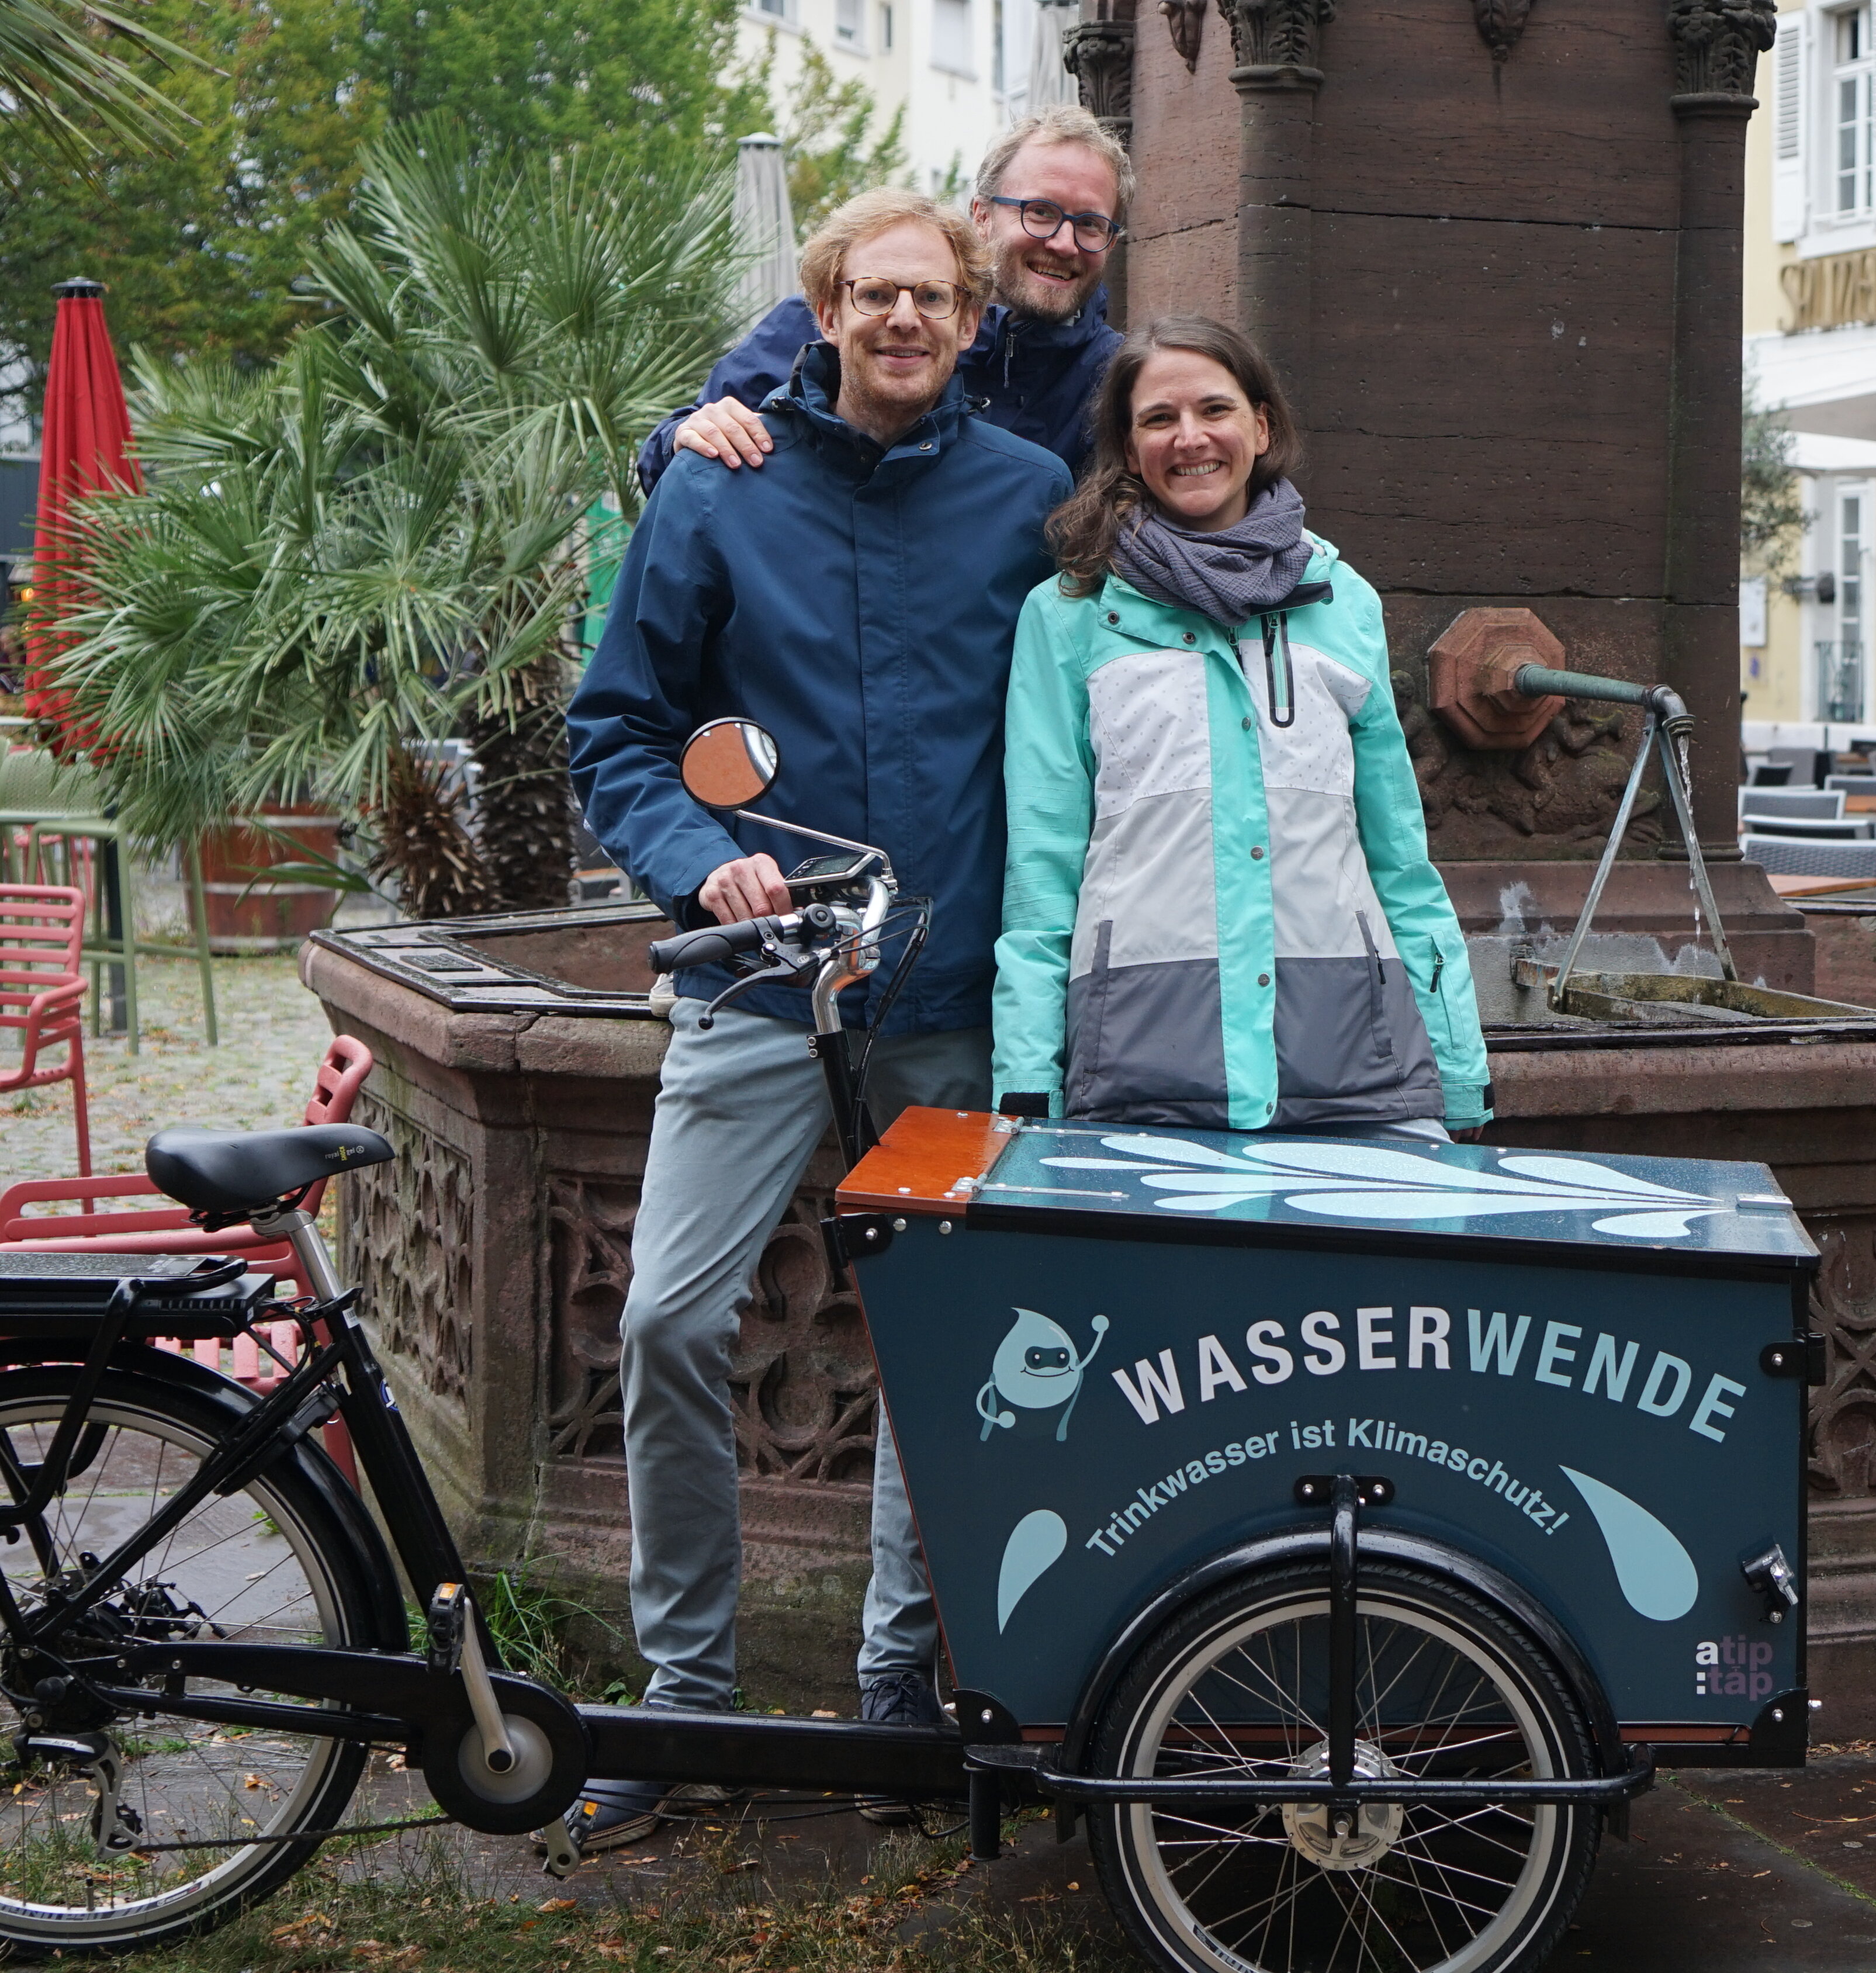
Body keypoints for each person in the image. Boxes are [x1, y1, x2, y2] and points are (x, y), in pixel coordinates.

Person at [565, 185, 1069, 1849]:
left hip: (943, 996)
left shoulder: (1026, 498)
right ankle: (679, 1703)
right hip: (760, 988)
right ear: (826, 313)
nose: (905, 322)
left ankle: (895, 1696)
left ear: (973, 323)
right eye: (873, 297)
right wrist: (696, 861)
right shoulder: (721, 485)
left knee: (943, 1352)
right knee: (663, 1323)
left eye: (934, 299)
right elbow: (620, 731)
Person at [992, 316, 1491, 1138]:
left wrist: (1461, 1072)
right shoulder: (1069, 618)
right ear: (1127, 444)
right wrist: (1025, 1085)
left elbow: (1401, 863)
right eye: (1158, 419)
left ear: (1261, 427)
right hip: (1142, 1065)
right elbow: (1040, 878)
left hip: (1354, 1066)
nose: (1190, 438)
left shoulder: (1343, 602)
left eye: (1214, 410)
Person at [636, 105, 1129, 497]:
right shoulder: (824, 322)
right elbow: (673, 461)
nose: (1065, 243)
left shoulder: (1114, 378)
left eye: (1091, 224)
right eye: (1039, 212)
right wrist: (687, 435)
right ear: (981, 216)